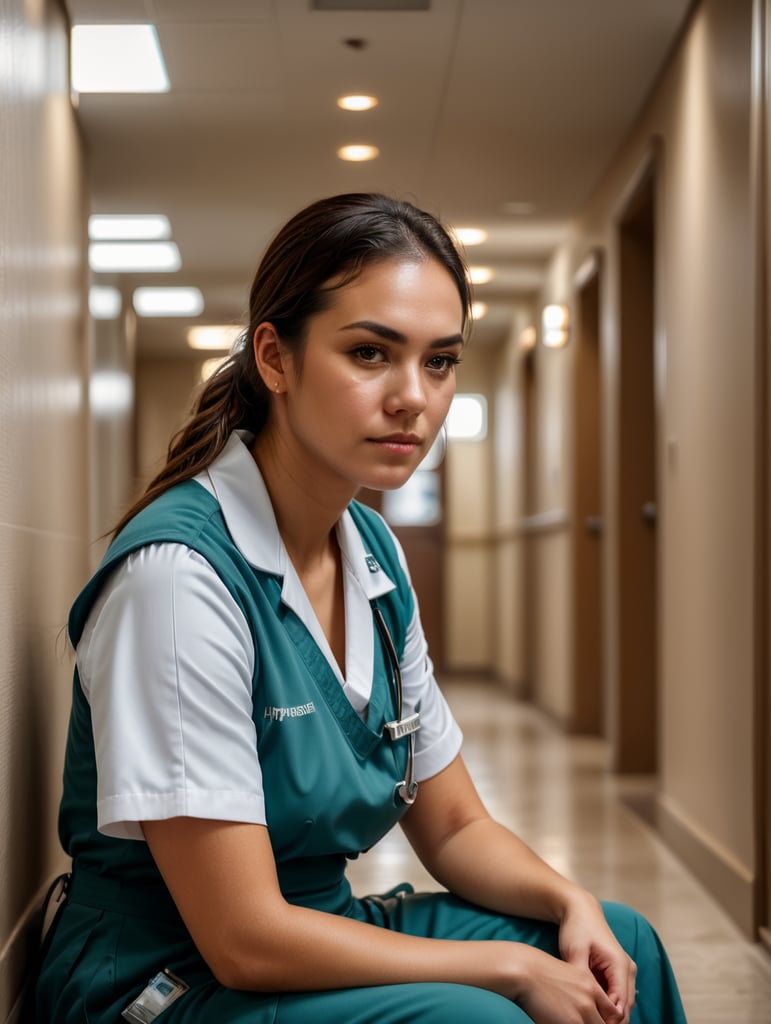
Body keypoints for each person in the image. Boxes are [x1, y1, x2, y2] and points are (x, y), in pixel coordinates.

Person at [32, 193, 687, 1024]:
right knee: (484, 1015)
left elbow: (452, 829)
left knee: (617, 942)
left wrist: (567, 902)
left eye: (440, 360)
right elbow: (243, 938)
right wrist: (506, 969)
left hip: (309, 928)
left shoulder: (374, 559)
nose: (413, 396)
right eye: (371, 353)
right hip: (170, 979)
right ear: (274, 357)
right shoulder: (179, 579)